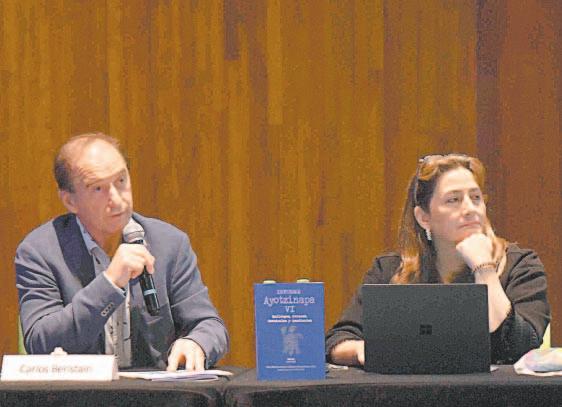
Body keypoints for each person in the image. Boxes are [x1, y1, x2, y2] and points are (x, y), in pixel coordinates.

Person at [16, 133, 229, 371]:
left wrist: (197, 343)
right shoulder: (40, 252)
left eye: (121, 181)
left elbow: (210, 325)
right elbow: (40, 342)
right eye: (98, 188)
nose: (117, 199)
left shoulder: (169, 244)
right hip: (79, 391)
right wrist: (109, 284)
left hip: (155, 390)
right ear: (70, 201)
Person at [326, 154, 550, 366]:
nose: (470, 209)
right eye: (453, 200)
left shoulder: (520, 266)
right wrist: (362, 349)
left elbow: (522, 346)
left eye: (476, 198)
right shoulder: (390, 270)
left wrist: (484, 269)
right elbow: (337, 340)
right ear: (424, 217)